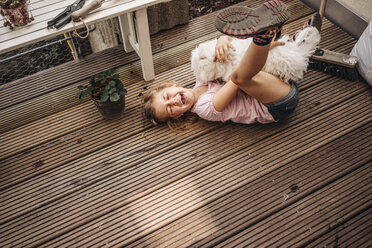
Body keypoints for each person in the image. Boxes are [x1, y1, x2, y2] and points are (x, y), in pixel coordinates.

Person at [144, 1, 299, 127]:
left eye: (166, 97)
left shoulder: (202, 78)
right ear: (178, 115)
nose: (172, 102)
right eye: (170, 109)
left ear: (171, 85)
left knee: (230, 56)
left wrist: (222, 41)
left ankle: (278, 40)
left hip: (275, 80)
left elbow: (227, 57)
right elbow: (235, 78)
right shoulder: (204, 109)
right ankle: (265, 38)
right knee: (239, 76)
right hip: (277, 103)